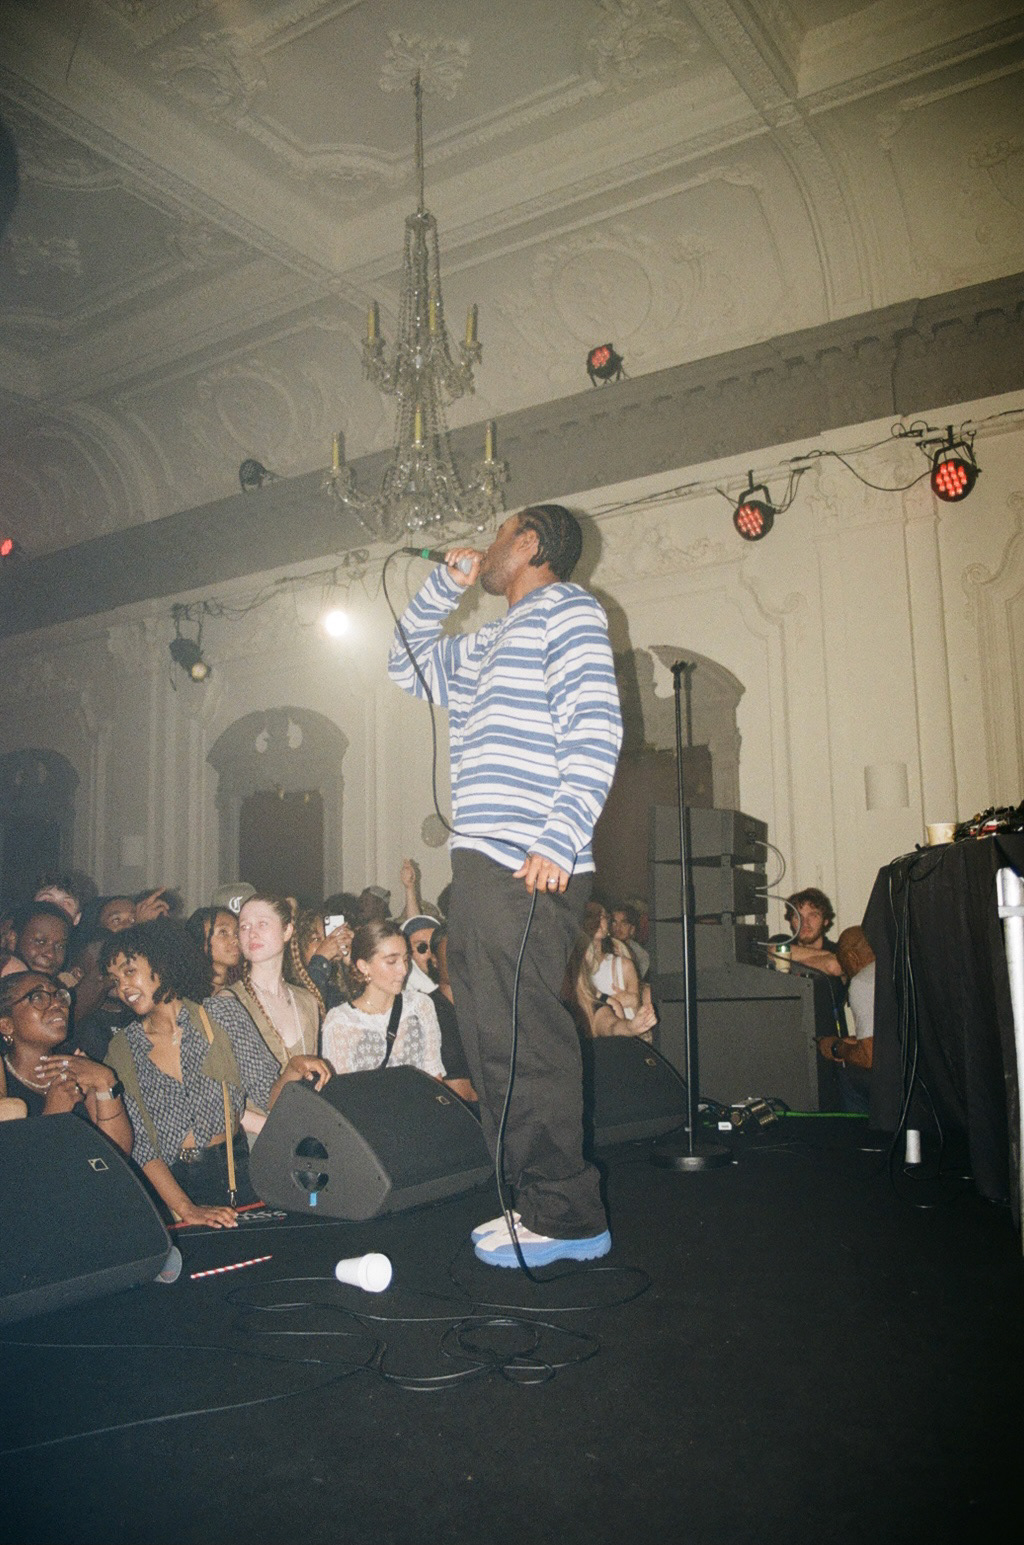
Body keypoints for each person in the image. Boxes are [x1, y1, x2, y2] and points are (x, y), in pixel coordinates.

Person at [388, 503, 623, 1269]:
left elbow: (595, 722)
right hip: (483, 859)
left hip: (530, 856)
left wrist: (561, 833)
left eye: (499, 533)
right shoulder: (487, 641)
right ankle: (532, 1200)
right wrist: (442, 588)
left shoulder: (568, 609)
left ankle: (569, 1214)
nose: (486, 545)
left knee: (525, 1034)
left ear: (529, 543)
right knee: (494, 1036)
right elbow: (405, 665)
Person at [101, 919, 330, 1228]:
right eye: (115, 980)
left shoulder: (222, 1015)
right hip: (168, 1188)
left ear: (163, 963)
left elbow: (269, 1096)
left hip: (233, 1172)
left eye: (129, 971)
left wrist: (292, 1070)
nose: (123, 988)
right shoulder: (122, 1048)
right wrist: (186, 1208)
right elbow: (141, 1145)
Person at [0, 970, 133, 1150]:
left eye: (59, 996)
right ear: (6, 1025)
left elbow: (118, 1152)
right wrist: (54, 1115)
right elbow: (15, 1163)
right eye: (38, 997)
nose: (57, 1003)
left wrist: (105, 1081)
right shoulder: (5, 1087)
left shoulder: (77, 1067)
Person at [229, 895, 322, 1137]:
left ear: (287, 931)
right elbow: (220, 1098)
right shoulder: (229, 1002)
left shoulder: (307, 1000)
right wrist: (276, 1132)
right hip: (253, 1138)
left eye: (262, 924)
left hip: (303, 1133)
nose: (252, 933)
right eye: (244, 927)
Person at [321, 920, 444, 1078]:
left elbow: (434, 1077)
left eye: (405, 959)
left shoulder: (420, 1006)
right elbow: (342, 1088)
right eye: (391, 961)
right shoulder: (341, 1022)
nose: (403, 970)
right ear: (364, 966)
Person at [401, 915, 476, 1102]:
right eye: (451, 956)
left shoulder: (487, 1006)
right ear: (434, 961)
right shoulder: (429, 1010)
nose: (461, 964)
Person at [570, 900, 657, 1041]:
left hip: (622, 1040)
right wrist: (612, 1001)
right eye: (591, 916)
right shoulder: (573, 966)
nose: (598, 921)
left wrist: (634, 1003)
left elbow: (636, 1012)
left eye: (602, 916)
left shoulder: (623, 965)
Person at [817, 925, 875, 1114]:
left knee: (845, 1072)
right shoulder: (895, 968)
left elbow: (869, 1057)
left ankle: (859, 1131)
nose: (846, 973)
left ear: (852, 957)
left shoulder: (862, 982)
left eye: (844, 964)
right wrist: (858, 1042)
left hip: (895, 1084)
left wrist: (836, 1047)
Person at [769, 888, 844, 978]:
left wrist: (789, 960)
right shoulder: (782, 941)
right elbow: (774, 950)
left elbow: (833, 966)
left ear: (825, 921)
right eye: (797, 916)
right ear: (791, 921)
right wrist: (826, 955)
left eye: (813, 916)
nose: (805, 923)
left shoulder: (838, 950)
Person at [184, 905, 242, 992]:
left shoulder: (245, 988)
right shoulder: (182, 994)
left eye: (237, 933)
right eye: (223, 932)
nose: (235, 940)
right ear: (199, 938)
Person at [609, 902, 650, 979]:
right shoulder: (604, 946)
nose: (618, 928)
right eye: (614, 922)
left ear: (632, 929)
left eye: (624, 924)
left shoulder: (641, 955)